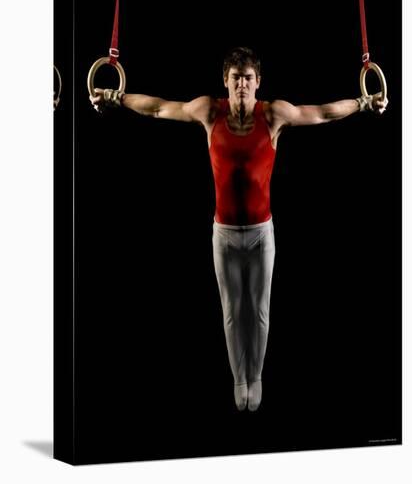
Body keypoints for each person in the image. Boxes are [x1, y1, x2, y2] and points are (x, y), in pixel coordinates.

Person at [90, 47, 388, 412]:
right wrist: (116, 97)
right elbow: (157, 107)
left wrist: (363, 102)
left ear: (258, 83)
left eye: (249, 78)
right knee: (232, 311)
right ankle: (239, 379)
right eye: (236, 78)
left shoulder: (274, 114)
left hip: (262, 233)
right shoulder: (208, 111)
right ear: (226, 82)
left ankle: (257, 375)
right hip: (225, 234)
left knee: (259, 310)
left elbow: (323, 113)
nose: (242, 85)